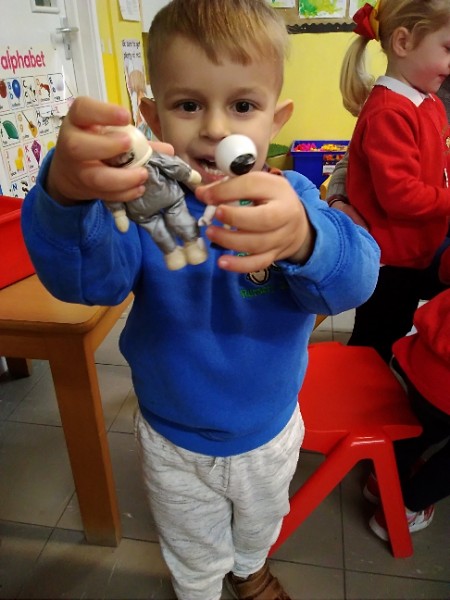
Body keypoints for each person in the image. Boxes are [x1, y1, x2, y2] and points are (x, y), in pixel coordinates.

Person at [21, 1, 380, 598]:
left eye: (242, 105)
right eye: (188, 105)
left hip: (269, 428)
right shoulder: (139, 203)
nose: (214, 128)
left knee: (261, 525)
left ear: (275, 118)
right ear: (152, 116)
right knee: (191, 549)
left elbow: (356, 281)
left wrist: (306, 239)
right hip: (173, 435)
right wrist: (65, 198)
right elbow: (87, 285)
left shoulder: (291, 198)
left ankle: (249, 568)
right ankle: (201, 588)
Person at [336, 0, 450, 363]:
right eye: (447, 49)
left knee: (394, 329)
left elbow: (437, 162)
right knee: (376, 340)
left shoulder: (427, 101)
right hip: (390, 258)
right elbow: (400, 196)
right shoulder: (389, 112)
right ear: (403, 42)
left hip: (414, 247)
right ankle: (356, 387)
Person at [364, 245, 450, 541]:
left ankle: (380, 479)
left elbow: (446, 269)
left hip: (421, 359)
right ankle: (404, 510)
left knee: (419, 424)